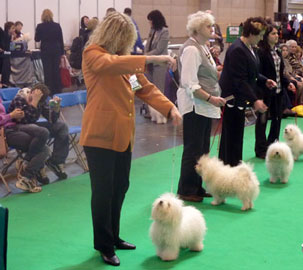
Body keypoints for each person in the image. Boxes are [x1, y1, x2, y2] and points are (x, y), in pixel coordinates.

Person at [80, 12, 182, 266]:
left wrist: (170, 108)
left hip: (123, 137)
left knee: (119, 188)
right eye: (126, 38)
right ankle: (103, 245)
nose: (128, 42)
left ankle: (113, 236)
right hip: (99, 137)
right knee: (103, 192)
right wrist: (155, 57)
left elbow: (145, 88)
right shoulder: (93, 55)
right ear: (116, 35)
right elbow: (110, 64)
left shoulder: (125, 66)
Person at [176, 11, 226, 203]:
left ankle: (197, 186)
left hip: (204, 106)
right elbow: (189, 83)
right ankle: (186, 188)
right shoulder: (191, 49)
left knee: (203, 148)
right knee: (193, 149)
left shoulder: (203, 47)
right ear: (197, 28)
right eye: (208, 26)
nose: (212, 29)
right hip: (195, 106)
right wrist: (210, 98)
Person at [218, 17, 276, 166]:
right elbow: (239, 80)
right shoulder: (238, 49)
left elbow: (253, 72)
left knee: (237, 137)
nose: (262, 38)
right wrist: (255, 100)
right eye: (260, 34)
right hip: (232, 99)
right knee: (231, 138)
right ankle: (228, 169)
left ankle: (233, 167)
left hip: (241, 99)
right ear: (251, 34)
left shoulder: (250, 48)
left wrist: (265, 80)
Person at [8, 84, 69, 180]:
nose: (41, 103)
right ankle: (31, 163)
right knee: (41, 131)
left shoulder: (41, 100)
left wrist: (55, 108)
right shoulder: (20, 98)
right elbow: (24, 120)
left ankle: (56, 162)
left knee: (62, 126)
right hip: (18, 127)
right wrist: (34, 102)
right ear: (32, 92)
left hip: (33, 126)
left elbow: (52, 120)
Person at [255, 25, 295, 159]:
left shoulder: (277, 52)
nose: (276, 36)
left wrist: (287, 83)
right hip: (265, 92)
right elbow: (258, 73)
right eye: (273, 34)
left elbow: (280, 73)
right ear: (266, 36)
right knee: (262, 121)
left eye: (277, 33)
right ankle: (261, 149)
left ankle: (273, 145)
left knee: (277, 119)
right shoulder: (260, 52)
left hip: (278, 92)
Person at [1, 97, 49, 193]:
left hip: (14, 126)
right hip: (5, 133)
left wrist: (17, 115)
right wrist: (10, 115)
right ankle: (26, 175)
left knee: (42, 136)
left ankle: (26, 167)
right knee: (43, 148)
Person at [144, 10, 170, 124]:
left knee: (159, 90)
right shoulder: (152, 30)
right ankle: (151, 112)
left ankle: (161, 113)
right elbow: (148, 44)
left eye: (151, 21)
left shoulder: (165, 32)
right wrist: (145, 56)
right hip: (149, 64)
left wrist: (146, 56)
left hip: (159, 65)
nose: (149, 23)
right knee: (149, 89)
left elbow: (159, 49)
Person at [35, 9, 64, 95]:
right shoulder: (57, 25)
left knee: (47, 71)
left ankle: (49, 91)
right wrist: (62, 53)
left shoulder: (40, 26)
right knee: (56, 70)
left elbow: (37, 39)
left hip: (46, 51)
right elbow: (60, 39)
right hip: (56, 50)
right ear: (52, 15)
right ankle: (58, 90)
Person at [1, 22, 15, 88]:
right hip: (2, 54)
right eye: (12, 28)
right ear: (8, 29)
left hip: (5, 54)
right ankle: (4, 82)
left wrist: (12, 40)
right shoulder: (3, 35)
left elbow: (10, 48)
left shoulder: (9, 36)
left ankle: (5, 82)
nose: (14, 30)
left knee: (7, 62)